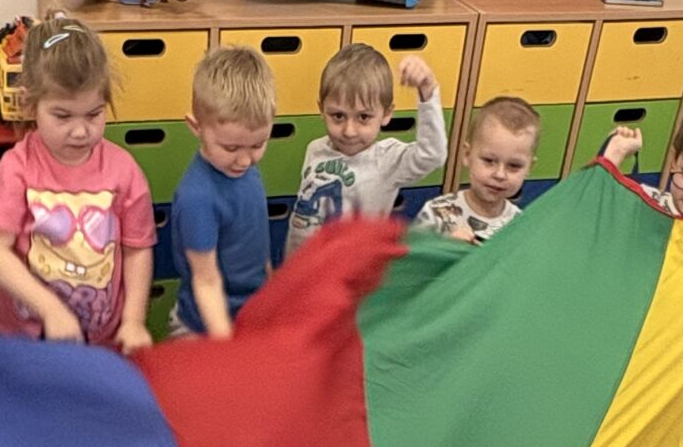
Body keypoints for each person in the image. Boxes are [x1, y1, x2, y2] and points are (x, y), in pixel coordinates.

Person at [0, 15, 156, 349]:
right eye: (63, 116)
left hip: (100, 338)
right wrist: (51, 310)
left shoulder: (123, 171)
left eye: (94, 114)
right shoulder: (17, 169)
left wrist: (133, 320)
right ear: (30, 103)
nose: (81, 131)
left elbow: (137, 250)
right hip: (25, 339)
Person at [286, 47, 445, 251]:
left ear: (386, 114)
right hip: (305, 264)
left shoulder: (387, 160)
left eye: (363, 117)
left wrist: (428, 92)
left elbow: (433, 155)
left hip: (354, 267)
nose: (349, 131)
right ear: (322, 110)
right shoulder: (315, 149)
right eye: (338, 116)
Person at [169, 46, 277, 338]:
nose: (245, 160)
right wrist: (226, 346)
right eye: (230, 147)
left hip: (250, 317)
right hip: (205, 328)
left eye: (258, 145)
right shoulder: (197, 198)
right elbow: (206, 281)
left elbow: (258, 244)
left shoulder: (245, 170)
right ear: (196, 127)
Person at [414, 96, 538, 245]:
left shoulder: (520, 225)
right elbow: (413, 256)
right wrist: (446, 246)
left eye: (514, 166)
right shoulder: (436, 214)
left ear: (529, 167)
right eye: (489, 161)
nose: (500, 175)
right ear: (467, 155)